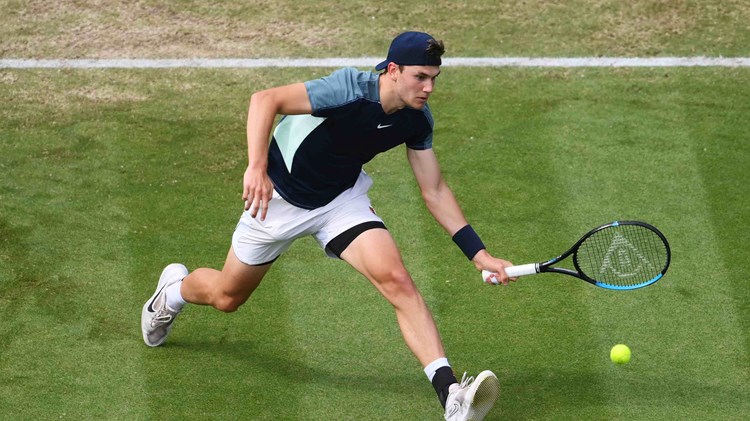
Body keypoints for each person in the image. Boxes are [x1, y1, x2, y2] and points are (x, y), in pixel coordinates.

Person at [141, 31, 515, 420]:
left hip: (339, 201)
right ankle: (173, 293)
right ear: (392, 70)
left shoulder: (416, 120)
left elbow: (434, 190)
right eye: (420, 77)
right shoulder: (347, 90)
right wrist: (256, 167)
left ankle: (451, 396)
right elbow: (264, 100)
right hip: (277, 200)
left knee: (397, 280)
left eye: (434, 78)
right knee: (226, 297)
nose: (429, 88)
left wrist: (479, 253)